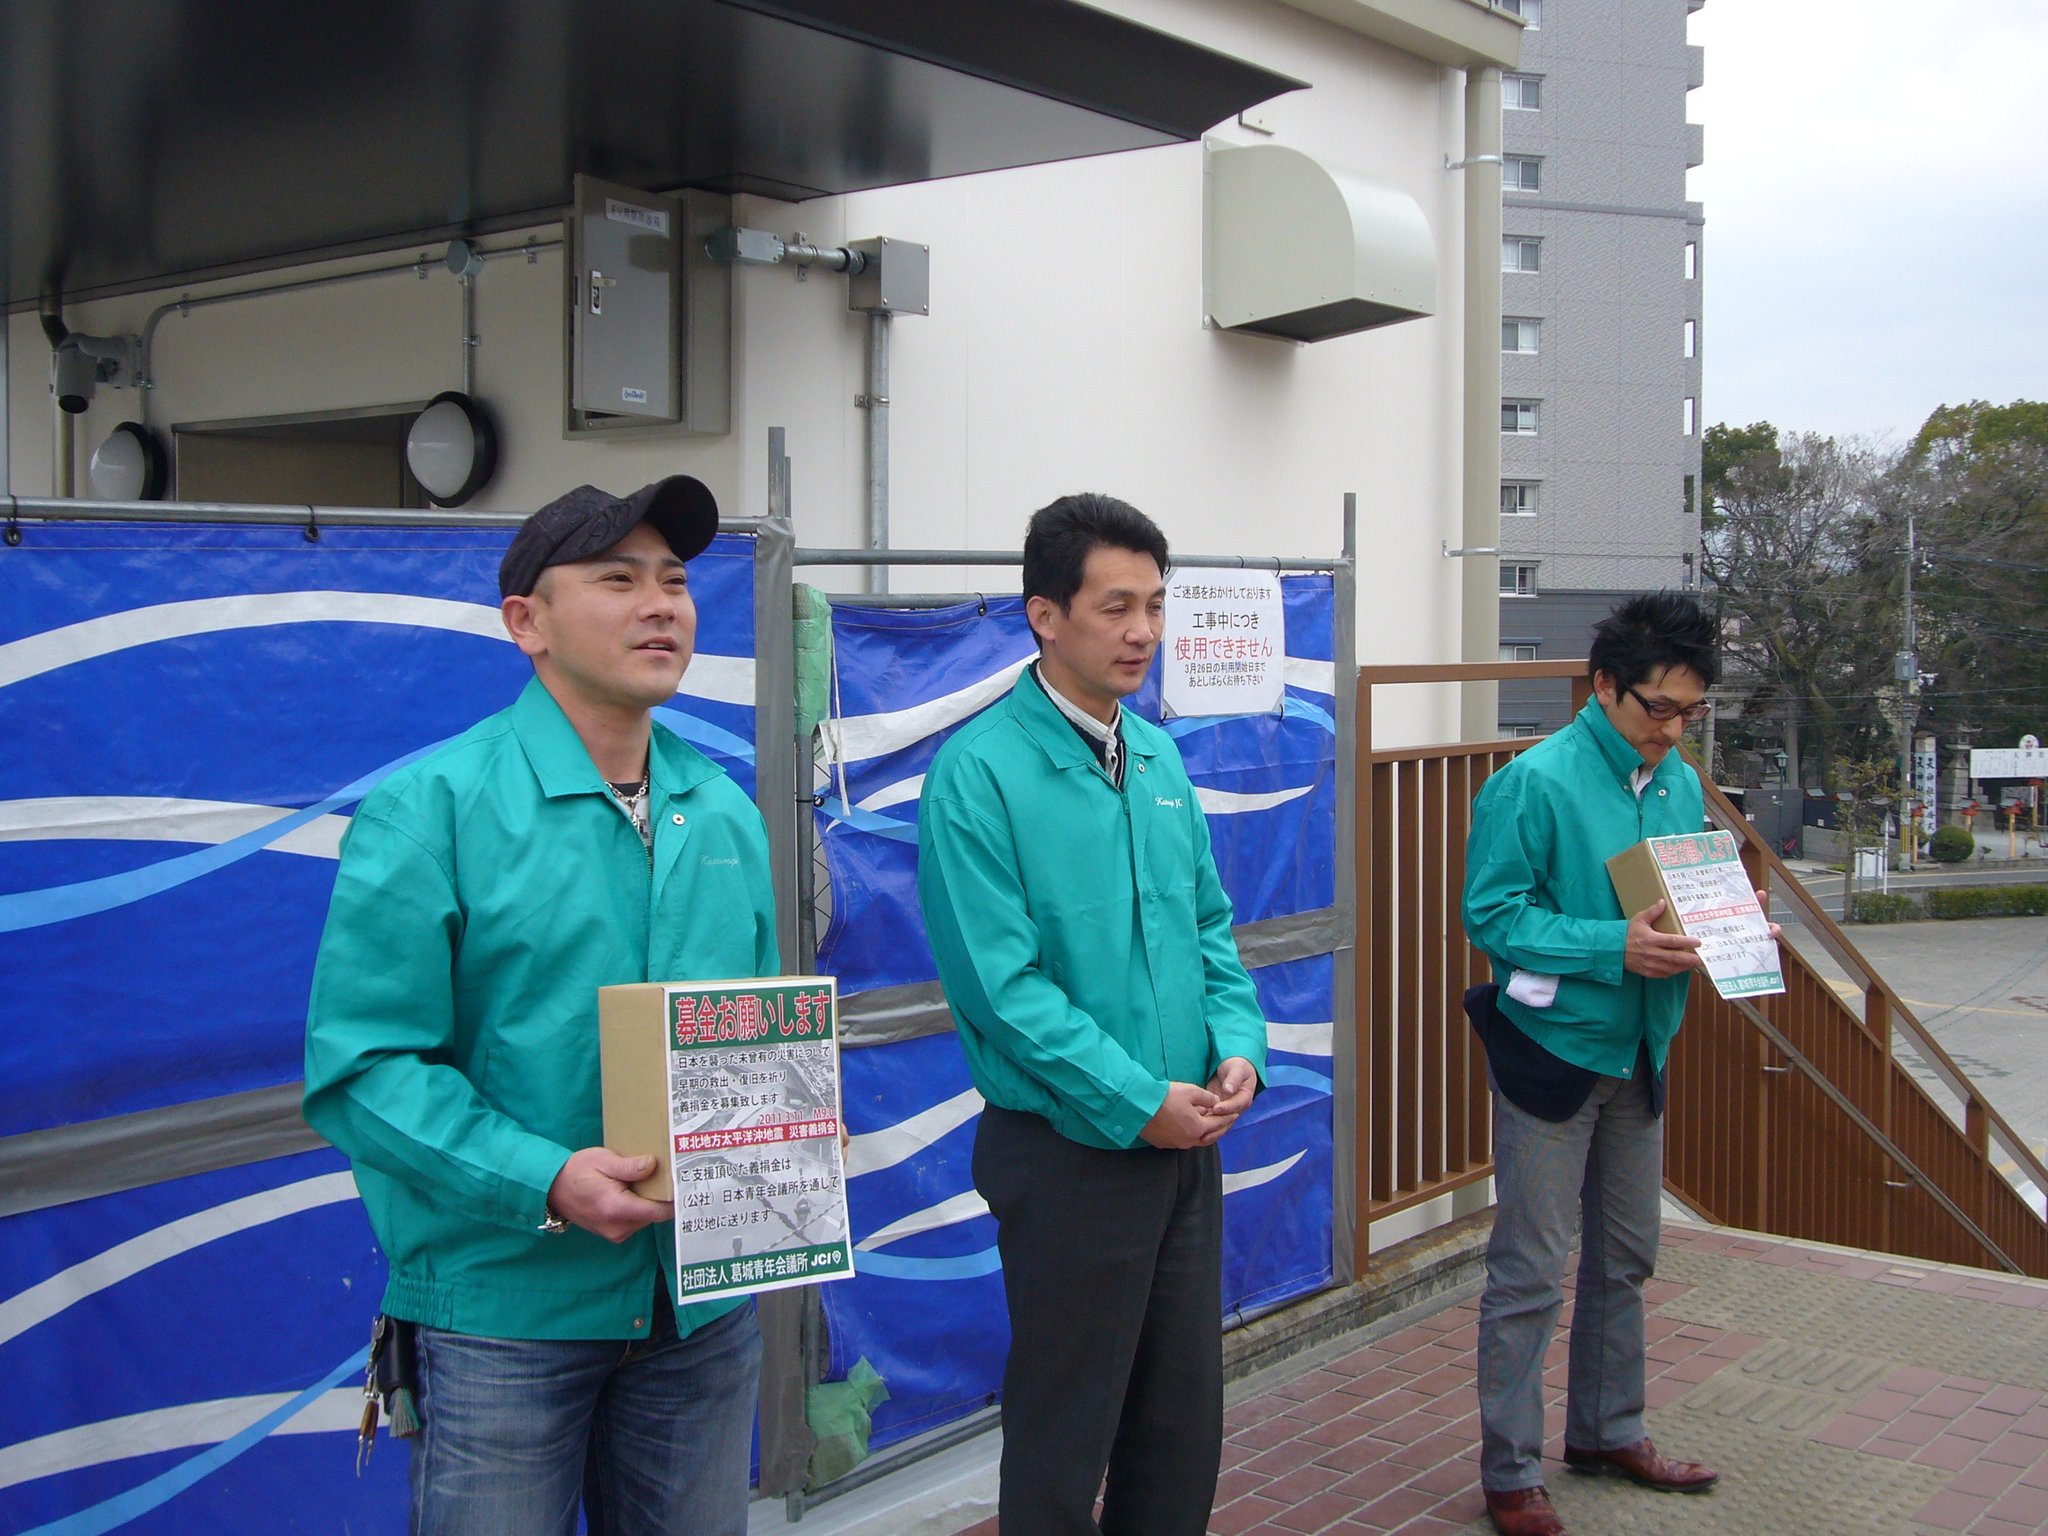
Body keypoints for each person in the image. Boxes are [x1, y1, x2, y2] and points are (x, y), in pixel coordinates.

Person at [303, 477, 778, 1536]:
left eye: (674, 582)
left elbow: (753, 1030)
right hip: (503, 1317)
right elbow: (362, 1073)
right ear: (528, 622)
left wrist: (789, 1120)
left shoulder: (722, 811)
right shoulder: (433, 810)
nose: (659, 606)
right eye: (617, 580)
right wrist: (545, 1179)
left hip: (698, 1310)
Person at [916, 493, 1267, 1536]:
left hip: (1182, 1142)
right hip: (1068, 1152)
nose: (1142, 631)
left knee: (1179, 1427)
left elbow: (1209, 927)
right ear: (1044, 615)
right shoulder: (978, 773)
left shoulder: (1155, 758)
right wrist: (1135, 1100)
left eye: (1153, 605)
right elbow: (1004, 992)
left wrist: (1238, 1049)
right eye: (1116, 607)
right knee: (1065, 1435)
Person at [1461, 591, 1760, 1536]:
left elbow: (1685, 889)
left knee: (1627, 1257)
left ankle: (1606, 1431)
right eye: (1658, 708)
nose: (1672, 730)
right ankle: (1511, 1474)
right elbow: (1491, 916)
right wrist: (1610, 947)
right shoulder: (1533, 782)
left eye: (1690, 713)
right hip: (1552, 1054)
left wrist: (1730, 922)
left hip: (1641, 1049)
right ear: (1603, 687)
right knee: (1530, 1270)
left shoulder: (1677, 782)